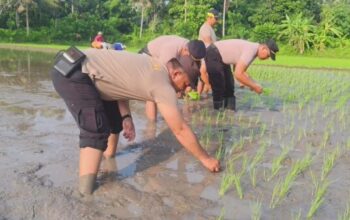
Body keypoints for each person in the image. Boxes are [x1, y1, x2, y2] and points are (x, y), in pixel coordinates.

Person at [51, 49, 220, 195]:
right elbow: (180, 129)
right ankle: (85, 193)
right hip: (73, 73)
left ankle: (108, 161)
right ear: (176, 73)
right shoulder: (163, 85)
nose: (187, 90)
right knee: (96, 131)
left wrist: (126, 117)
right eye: (187, 84)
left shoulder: (153, 64)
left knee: (114, 122)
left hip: (77, 66)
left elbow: (119, 83)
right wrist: (206, 159)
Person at [139, 35, 206, 121]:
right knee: (153, 91)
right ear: (186, 51)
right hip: (147, 56)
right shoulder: (170, 52)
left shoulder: (189, 45)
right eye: (190, 57)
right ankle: (152, 125)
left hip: (157, 58)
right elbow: (163, 73)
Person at [205, 39, 279, 110]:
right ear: (263, 48)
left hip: (221, 57)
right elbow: (238, 74)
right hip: (213, 53)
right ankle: (218, 114)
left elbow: (243, 72)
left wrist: (253, 83)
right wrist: (254, 86)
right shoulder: (251, 50)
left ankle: (230, 113)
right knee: (219, 85)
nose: (267, 58)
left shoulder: (254, 51)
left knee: (229, 87)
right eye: (268, 55)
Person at [197, 8, 220, 98]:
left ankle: (201, 96)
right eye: (216, 19)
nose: (217, 21)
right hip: (205, 54)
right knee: (204, 73)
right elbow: (209, 43)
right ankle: (209, 87)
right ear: (209, 17)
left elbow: (214, 42)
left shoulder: (210, 28)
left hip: (209, 55)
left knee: (203, 80)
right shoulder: (205, 28)